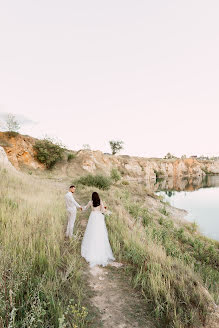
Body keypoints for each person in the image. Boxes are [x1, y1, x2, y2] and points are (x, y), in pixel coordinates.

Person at [81, 192, 115, 267]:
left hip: (93, 217)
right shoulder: (100, 201)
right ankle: (100, 250)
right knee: (100, 233)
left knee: (92, 232)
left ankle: (91, 250)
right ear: (98, 196)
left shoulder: (90, 202)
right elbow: (103, 210)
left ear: (92, 196)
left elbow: (85, 208)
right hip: (99, 217)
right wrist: (107, 211)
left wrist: (81, 208)